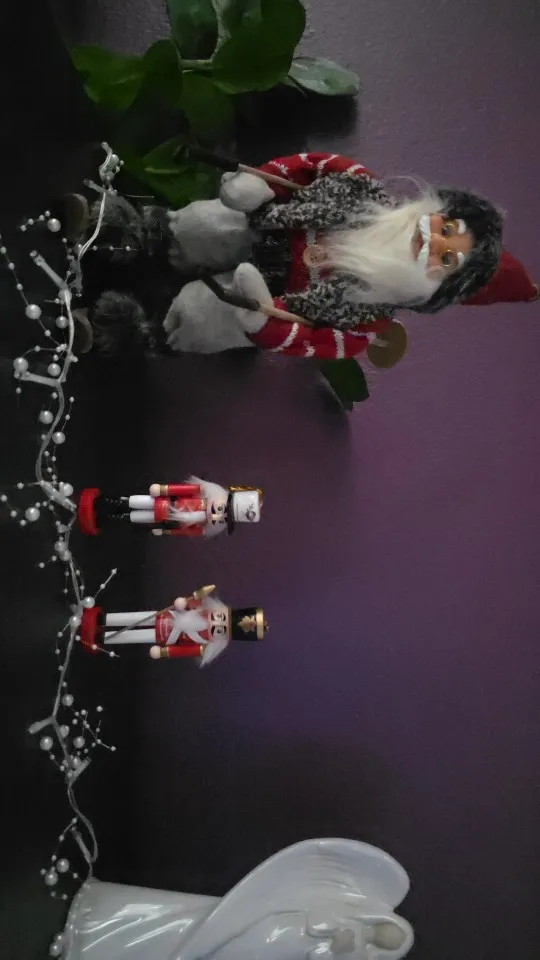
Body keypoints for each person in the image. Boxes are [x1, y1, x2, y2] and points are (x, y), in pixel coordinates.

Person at [76, 153, 539, 361]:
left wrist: (263, 323)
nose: (435, 243)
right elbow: (309, 166)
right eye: (448, 229)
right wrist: (262, 183)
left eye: (448, 259)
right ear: (439, 210)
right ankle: (127, 235)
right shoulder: (359, 184)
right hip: (262, 224)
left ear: (440, 287)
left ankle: (127, 329)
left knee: (204, 315)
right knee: (207, 225)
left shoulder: (364, 323)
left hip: (267, 294)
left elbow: (309, 342)